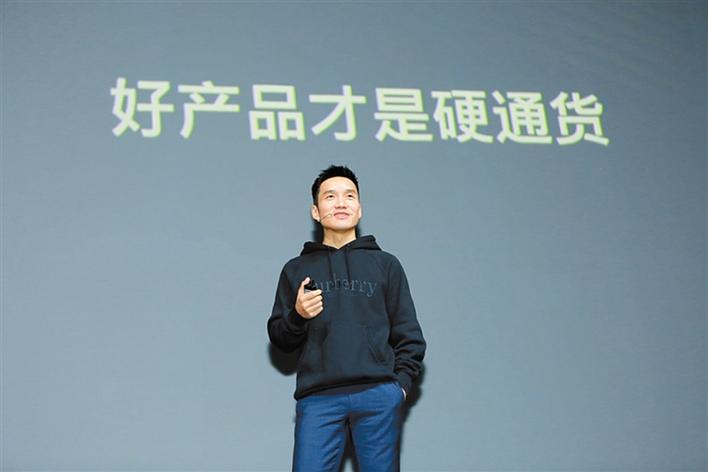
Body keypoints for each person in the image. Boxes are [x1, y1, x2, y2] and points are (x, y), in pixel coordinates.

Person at [267, 165, 426, 472]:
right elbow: (279, 338)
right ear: (315, 211)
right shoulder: (296, 270)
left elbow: (409, 335)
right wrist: (298, 315)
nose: (341, 203)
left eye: (349, 196)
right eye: (330, 196)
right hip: (319, 399)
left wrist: (399, 388)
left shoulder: (386, 265)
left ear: (360, 208)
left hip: (378, 395)